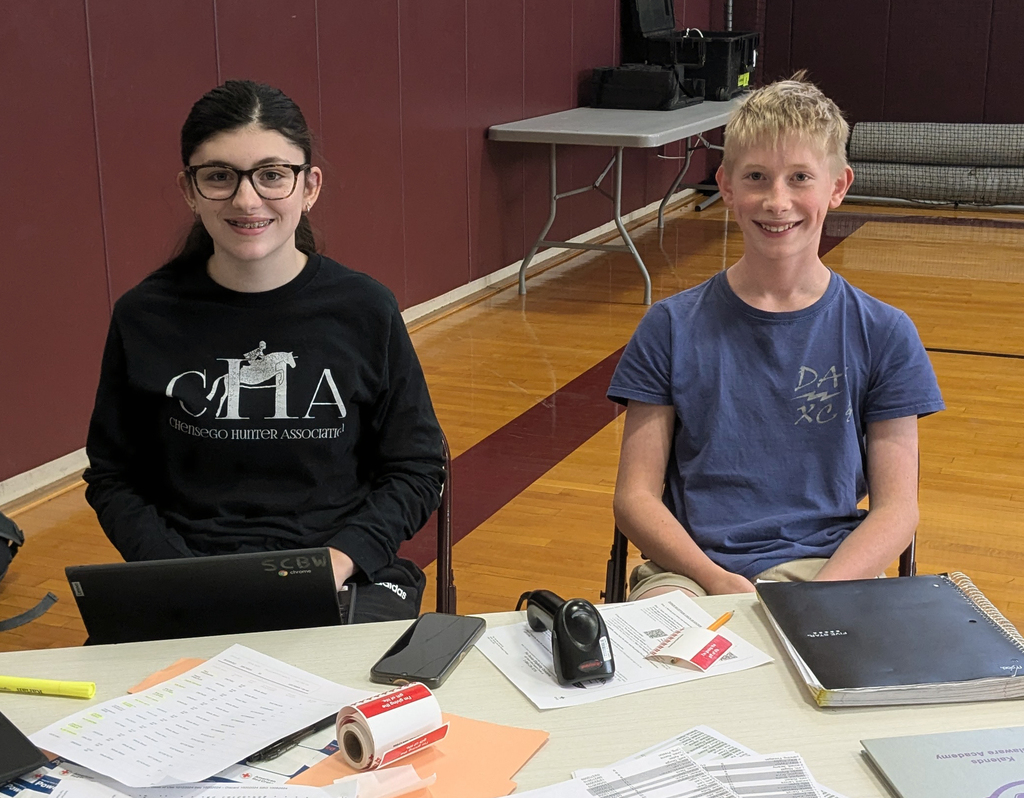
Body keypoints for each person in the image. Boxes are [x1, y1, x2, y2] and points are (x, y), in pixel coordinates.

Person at [84, 80, 444, 622]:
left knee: (348, 708)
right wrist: (170, 571)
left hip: (340, 574)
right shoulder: (144, 315)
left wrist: (342, 559)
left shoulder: (365, 309)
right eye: (219, 176)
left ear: (309, 186)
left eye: (272, 175)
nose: (247, 199)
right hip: (185, 575)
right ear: (189, 189)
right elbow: (113, 475)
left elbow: (417, 466)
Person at [607, 75, 945, 599]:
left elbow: (897, 509)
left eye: (800, 177)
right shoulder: (669, 327)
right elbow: (635, 498)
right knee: (666, 672)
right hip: (691, 572)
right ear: (726, 186)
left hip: (827, 570)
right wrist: (719, 581)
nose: (776, 200)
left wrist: (815, 599)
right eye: (757, 177)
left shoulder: (885, 333)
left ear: (837, 187)